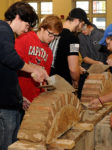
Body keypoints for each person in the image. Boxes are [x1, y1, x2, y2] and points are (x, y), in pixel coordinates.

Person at [0, 2, 49, 150]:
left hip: (10, 102)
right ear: (17, 16)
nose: (26, 30)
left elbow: (8, 74)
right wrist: (33, 70)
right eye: (27, 25)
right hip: (4, 106)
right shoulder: (3, 30)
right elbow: (9, 58)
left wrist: (19, 98)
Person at [15, 15, 63, 110]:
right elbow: (14, 65)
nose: (52, 38)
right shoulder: (24, 38)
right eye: (50, 34)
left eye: (55, 36)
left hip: (35, 100)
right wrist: (19, 96)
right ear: (42, 28)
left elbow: (44, 80)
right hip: (19, 96)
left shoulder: (48, 52)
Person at [50, 8, 89, 89]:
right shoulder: (73, 39)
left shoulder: (53, 33)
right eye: (82, 24)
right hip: (63, 83)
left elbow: (59, 57)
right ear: (77, 21)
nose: (81, 28)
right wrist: (76, 81)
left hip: (50, 79)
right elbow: (73, 69)